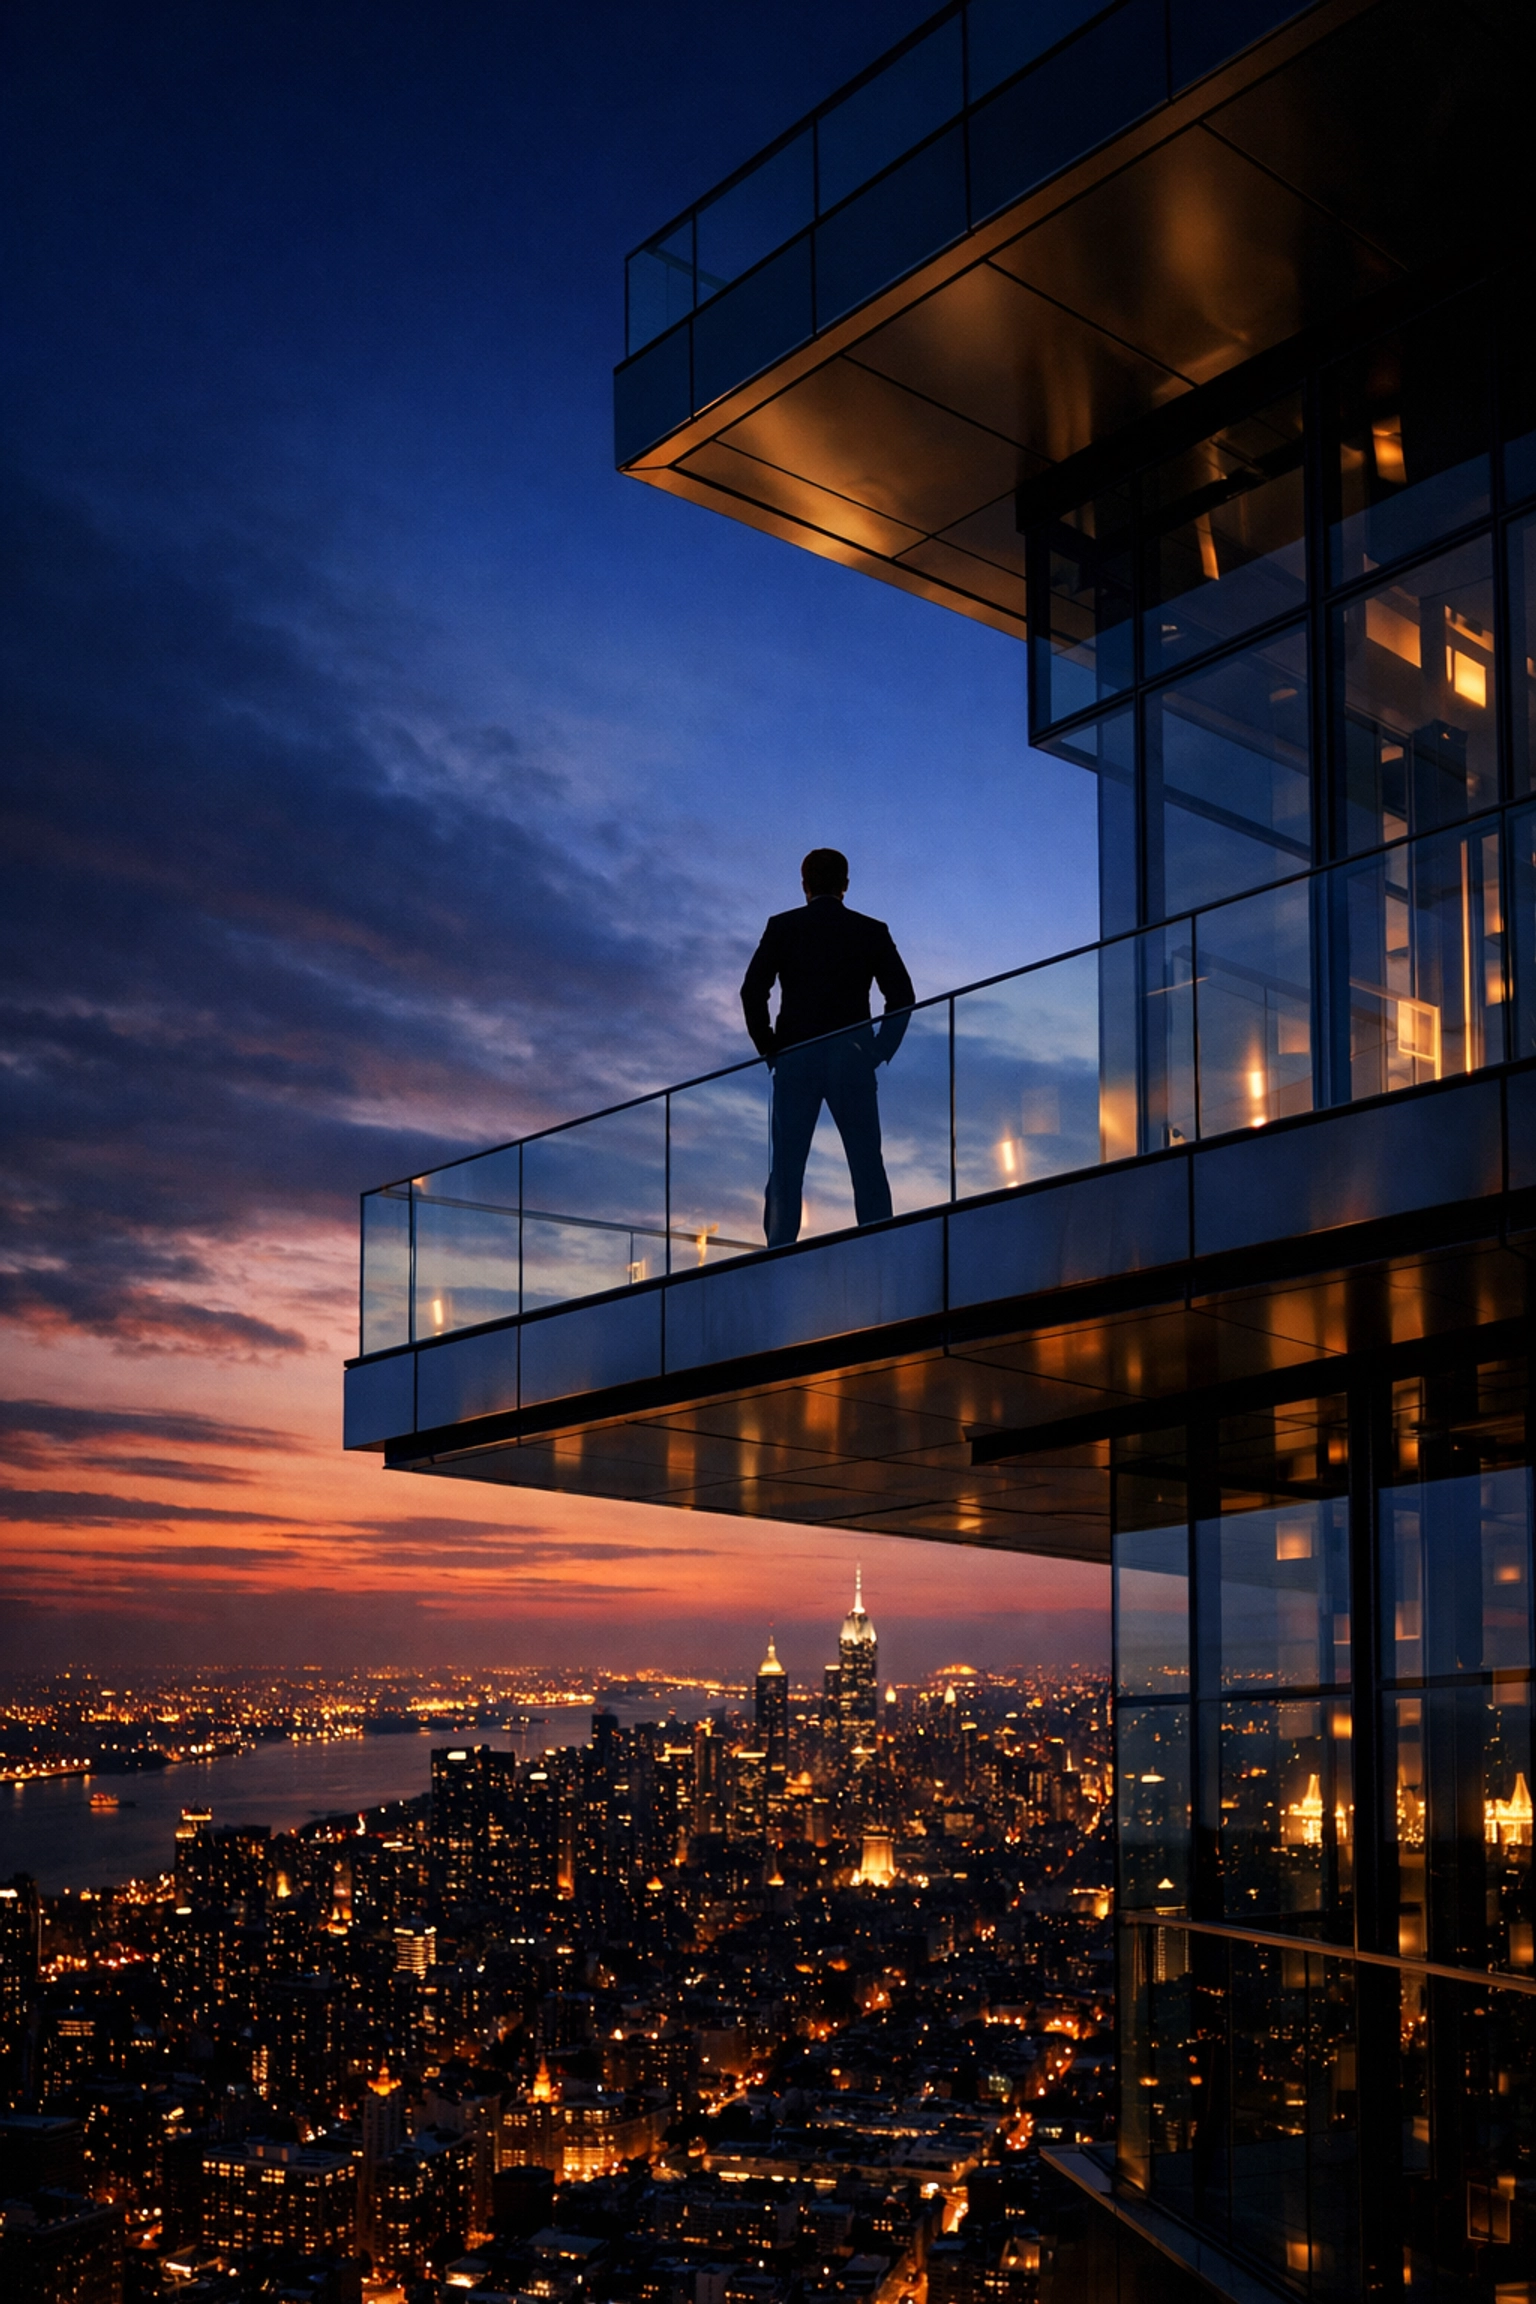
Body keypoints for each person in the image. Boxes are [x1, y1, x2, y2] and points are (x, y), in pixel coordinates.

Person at [740, 848, 915, 1246]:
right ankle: (879, 1246)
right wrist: (878, 1049)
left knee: (786, 1168)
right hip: (852, 1059)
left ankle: (779, 1251)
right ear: (845, 885)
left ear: (804, 884)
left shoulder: (783, 927)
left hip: (795, 1060)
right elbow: (902, 995)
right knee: (866, 1162)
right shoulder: (870, 931)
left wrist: (770, 1047)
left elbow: (752, 991)